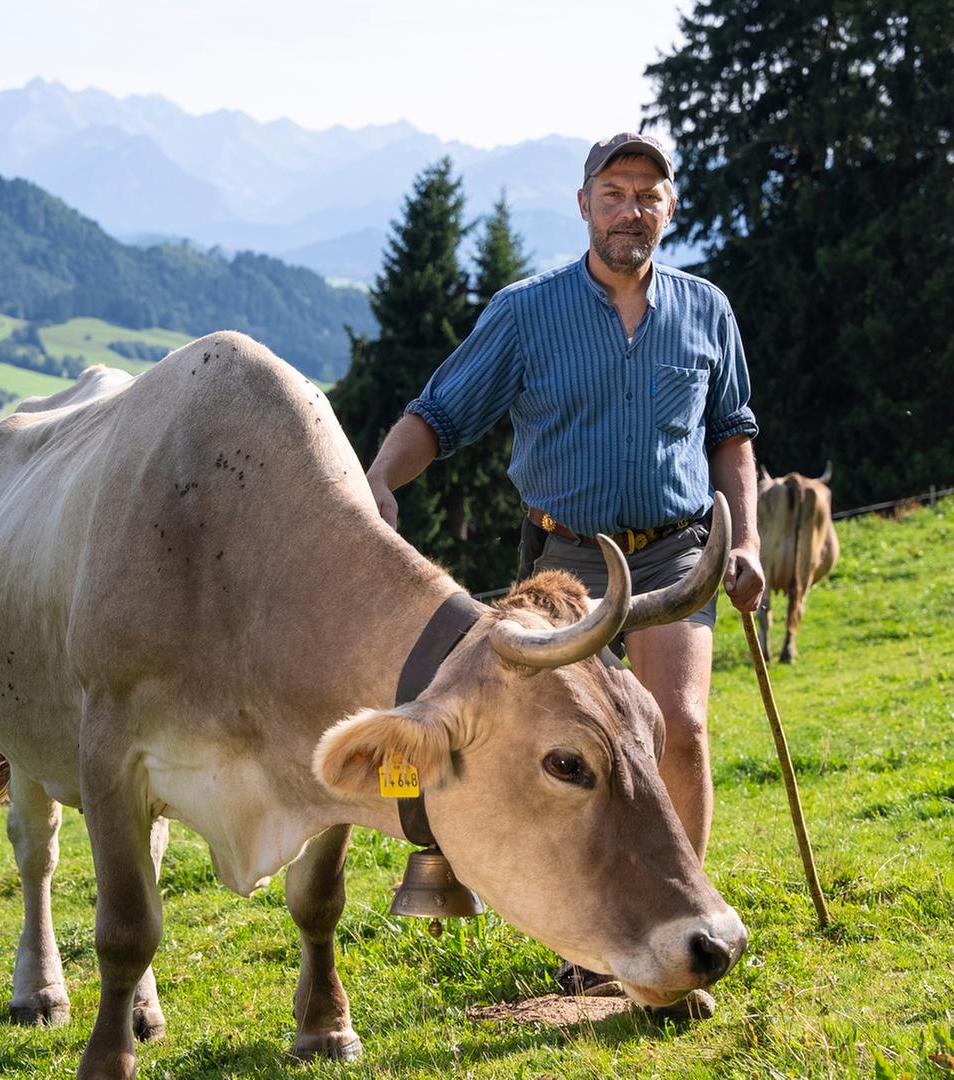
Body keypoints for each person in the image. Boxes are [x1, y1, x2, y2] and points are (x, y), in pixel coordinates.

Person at [364, 133, 764, 1016]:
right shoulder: (527, 311)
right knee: (571, 755)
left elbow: (732, 435)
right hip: (566, 568)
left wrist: (749, 545)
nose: (632, 208)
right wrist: (378, 482)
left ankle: (674, 938)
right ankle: (593, 942)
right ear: (584, 204)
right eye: (614, 191)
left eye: (648, 194)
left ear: (669, 208)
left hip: (674, 551)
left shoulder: (706, 310)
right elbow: (440, 411)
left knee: (680, 730)